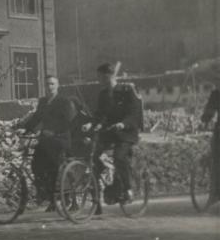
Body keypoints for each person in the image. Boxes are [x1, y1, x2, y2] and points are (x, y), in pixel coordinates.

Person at [83, 63, 142, 212]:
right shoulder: (103, 94)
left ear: (110, 76)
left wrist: (123, 123)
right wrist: (91, 124)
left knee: (119, 156)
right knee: (93, 158)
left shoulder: (126, 90)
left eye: (101, 77)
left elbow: (134, 113)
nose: (99, 80)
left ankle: (128, 190)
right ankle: (97, 202)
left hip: (126, 134)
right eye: (99, 77)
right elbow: (100, 114)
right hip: (109, 133)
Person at [17, 75, 76, 211]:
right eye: (47, 85)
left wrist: (54, 132)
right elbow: (37, 118)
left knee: (52, 166)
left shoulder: (64, 101)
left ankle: (56, 197)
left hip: (60, 138)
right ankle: (46, 195)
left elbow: (69, 122)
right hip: (46, 140)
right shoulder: (43, 101)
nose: (49, 87)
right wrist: (26, 130)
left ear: (57, 86)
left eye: (52, 84)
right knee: (35, 164)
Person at [200, 85, 220, 205]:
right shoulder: (216, 93)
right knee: (215, 160)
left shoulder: (217, 93)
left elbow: (210, 110)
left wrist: (206, 119)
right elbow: (210, 110)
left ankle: (214, 194)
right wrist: (205, 120)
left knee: (216, 161)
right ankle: (214, 194)